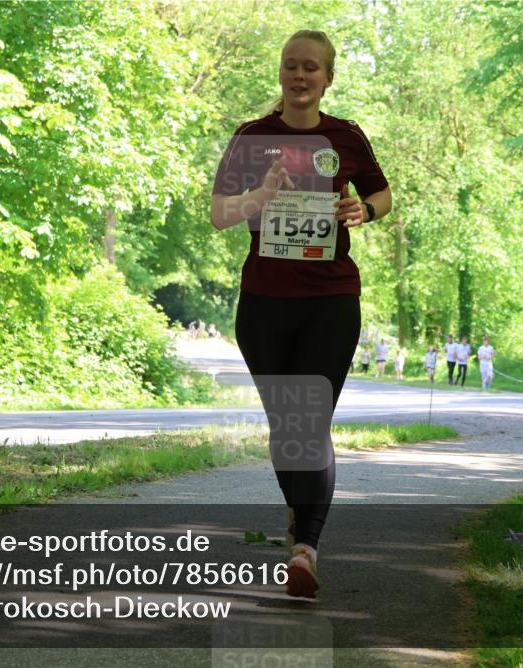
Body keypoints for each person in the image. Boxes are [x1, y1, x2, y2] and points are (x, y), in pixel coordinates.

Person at [210, 29, 392, 599]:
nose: (299, 76)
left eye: (311, 68)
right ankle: (301, 517)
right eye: (291, 66)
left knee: (309, 424)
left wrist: (363, 208)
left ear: (327, 78)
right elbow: (219, 214)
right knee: (286, 425)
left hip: (332, 299)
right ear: (281, 75)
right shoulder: (251, 137)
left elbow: (383, 195)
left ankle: (305, 548)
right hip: (264, 303)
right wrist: (257, 199)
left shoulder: (346, 137)